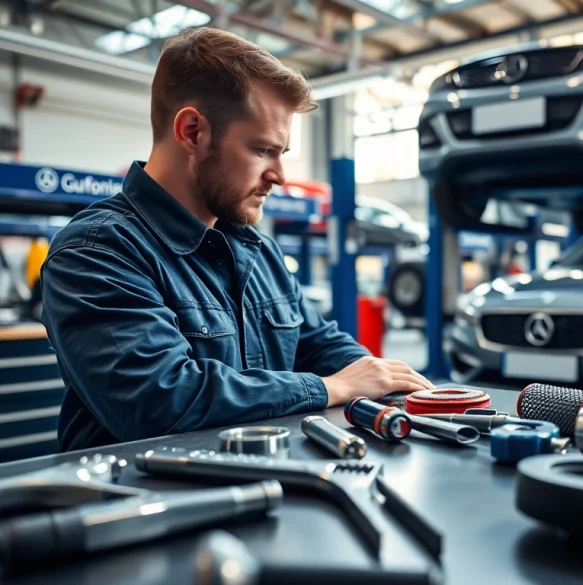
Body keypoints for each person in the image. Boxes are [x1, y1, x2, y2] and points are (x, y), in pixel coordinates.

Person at [40, 27, 432, 452]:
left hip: (267, 486)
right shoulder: (97, 251)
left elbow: (316, 341)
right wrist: (327, 388)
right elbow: (161, 400)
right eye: (264, 150)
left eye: (283, 153)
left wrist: (389, 382)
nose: (280, 177)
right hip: (143, 505)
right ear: (192, 132)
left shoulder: (256, 249)